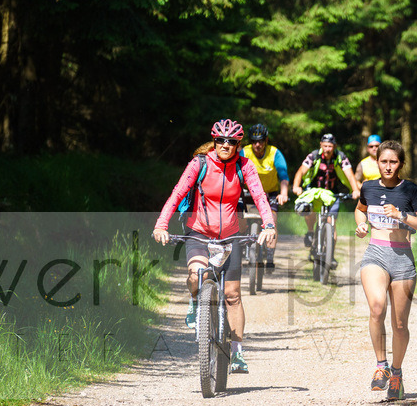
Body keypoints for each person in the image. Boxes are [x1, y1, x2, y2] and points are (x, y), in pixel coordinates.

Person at [153, 118, 278, 374]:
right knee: (196, 276)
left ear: (238, 144)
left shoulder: (245, 166)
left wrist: (268, 225)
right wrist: (161, 224)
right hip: (198, 231)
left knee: (232, 295)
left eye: (231, 141)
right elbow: (177, 193)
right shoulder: (199, 163)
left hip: (230, 234)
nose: (225, 145)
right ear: (214, 141)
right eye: (220, 140)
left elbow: (259, 196)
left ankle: (237, 353)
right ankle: (195, 300)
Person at [354, 140, 417, 400]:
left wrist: (402, 216)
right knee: (377, 307)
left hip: (402, 259)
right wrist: (362, 226)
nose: (388, 167)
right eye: (383, 161)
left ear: (401, 164)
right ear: (376, 162)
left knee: (400, 324)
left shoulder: (411, 190)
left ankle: (397, 375)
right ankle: (381, 367)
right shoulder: (367, 187)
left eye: (393, 162)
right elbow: (360, 210)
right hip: (375, 253)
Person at [291, 133, 361, 249]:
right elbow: (300, 172)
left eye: (330, 146)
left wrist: (355, 190)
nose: (327, 149)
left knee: (331, 223)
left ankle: (330, 253)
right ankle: (310, 231)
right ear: (321, 145)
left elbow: (350, 175)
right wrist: (296, 186)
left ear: (335, 146)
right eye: (325, 146)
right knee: (309, 209)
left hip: (332, 193)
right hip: (314, 190)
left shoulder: (340, 157)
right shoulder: (314, 156)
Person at [242, 123, 289, 271]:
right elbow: (236, 174)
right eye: (254, 141)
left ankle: (269, 254)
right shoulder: (244, 152)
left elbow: (283, 177)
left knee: (272, 221)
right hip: (249, 192)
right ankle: (243, 244)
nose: (257, 144)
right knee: (241, 219)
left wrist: (284, 193)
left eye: (261, 141)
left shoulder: (274, 153)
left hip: (270, 193)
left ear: (266, 140)